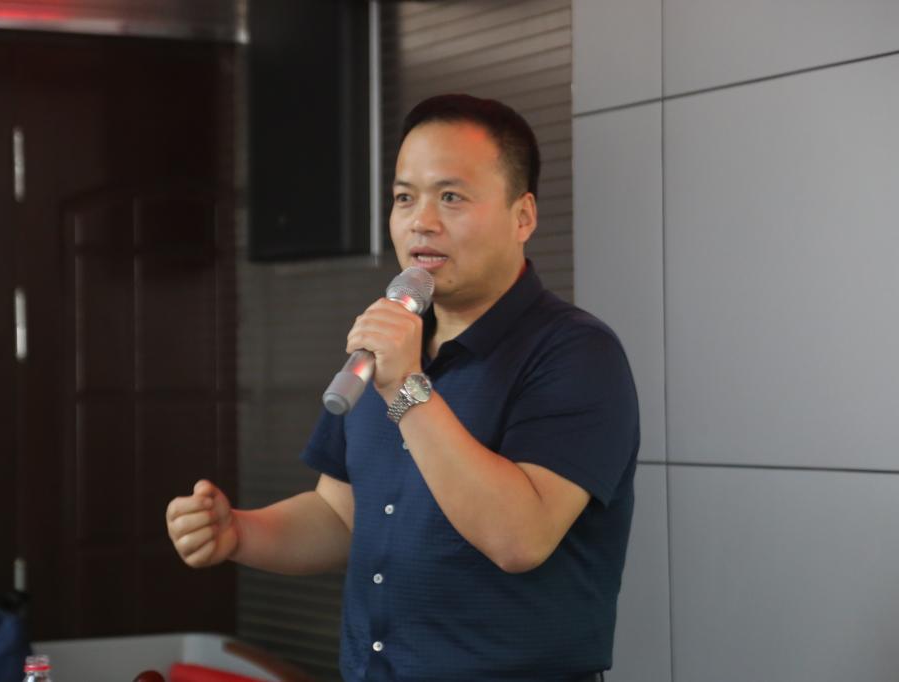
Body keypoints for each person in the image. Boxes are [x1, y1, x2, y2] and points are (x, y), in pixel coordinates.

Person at [166, 94, 640, 682]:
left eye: (451, 197)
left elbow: (520, 539)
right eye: (404, 197)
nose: (422, 221)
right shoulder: (390, 343)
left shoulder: (577, 354)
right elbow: (340, 515)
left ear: (523, 216)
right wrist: (240, 533)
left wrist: (408, 388)